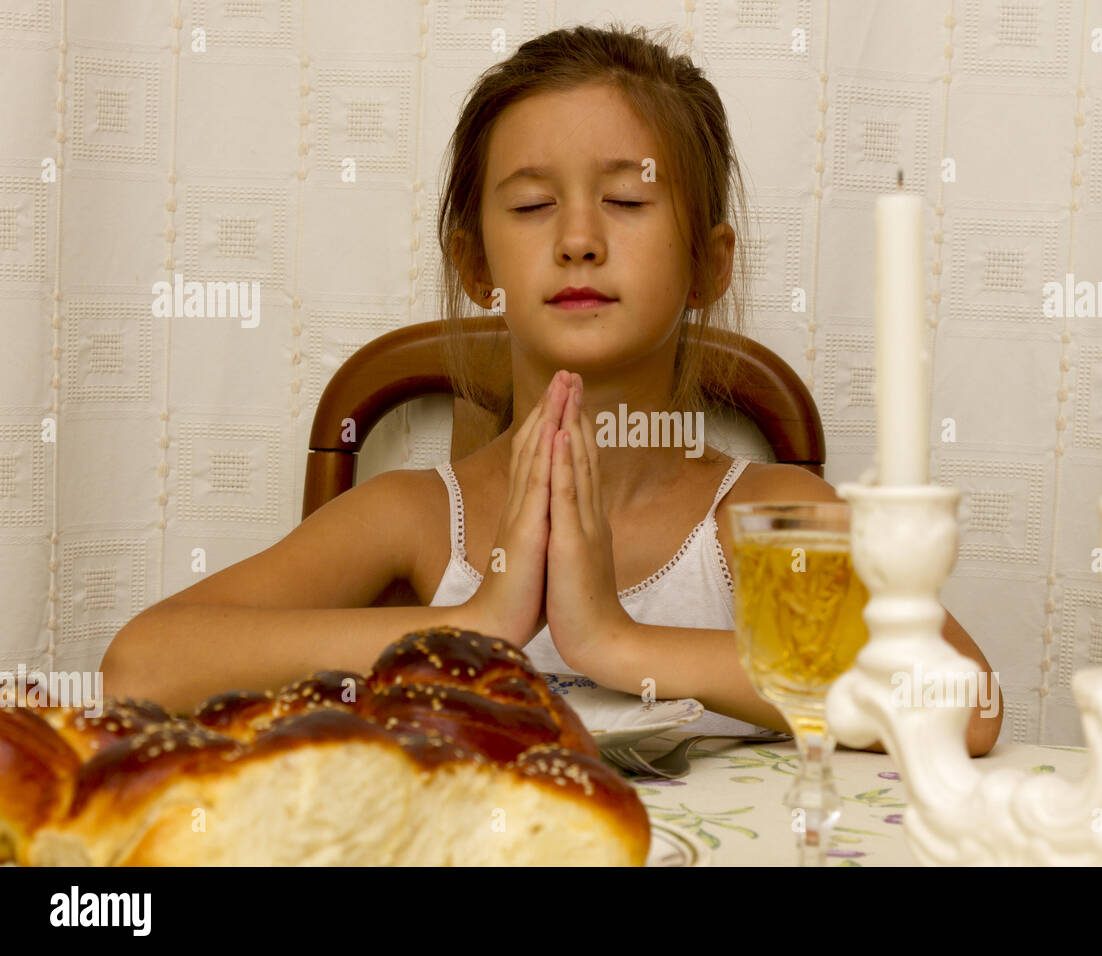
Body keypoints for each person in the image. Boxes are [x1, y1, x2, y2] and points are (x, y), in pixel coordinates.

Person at [105, 23, 1001, 755]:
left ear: (708, 264)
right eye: (532, 207)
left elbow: (967, 703)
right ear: (473, 260)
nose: (577, 239)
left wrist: (616, 640)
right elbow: (139, 669)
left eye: (627, 200)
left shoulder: (764, 516)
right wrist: (477, 623)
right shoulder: (417, 519)